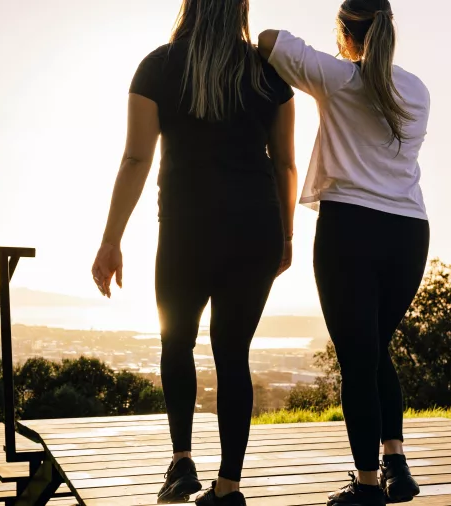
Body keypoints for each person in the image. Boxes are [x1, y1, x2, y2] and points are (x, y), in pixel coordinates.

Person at [90, 0, 298, 504]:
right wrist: (286, 235)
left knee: (176, 343)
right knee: (233, 354)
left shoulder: (158, 66)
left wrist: (111, 238)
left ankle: (182, 464)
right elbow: (286, 165)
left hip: (187, 229)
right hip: (256, 229)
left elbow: (137, 157)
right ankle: (228, 487)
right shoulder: (268, 74)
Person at [258, 1, 429, 505]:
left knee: (357, 359)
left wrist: (337, 58)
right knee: (376, 349)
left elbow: (267, 39)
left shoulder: (336, 78)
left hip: (349, 230)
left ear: (346, 33)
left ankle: (367, 485)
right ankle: (396, 465)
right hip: (409, 233)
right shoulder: (416, 89)